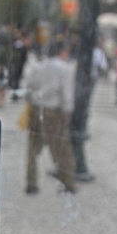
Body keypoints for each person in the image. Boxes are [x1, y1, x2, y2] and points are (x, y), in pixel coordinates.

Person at [25, 41, 76, 194]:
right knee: (61, 148)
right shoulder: (65, 69)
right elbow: (66, 94)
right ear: (62, 52)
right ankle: (67, 182)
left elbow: (29, 87)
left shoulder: (38, 67)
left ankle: (31, 183)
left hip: (36, 108)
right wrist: (68, 111)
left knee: (33, 148)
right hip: (53, 111)